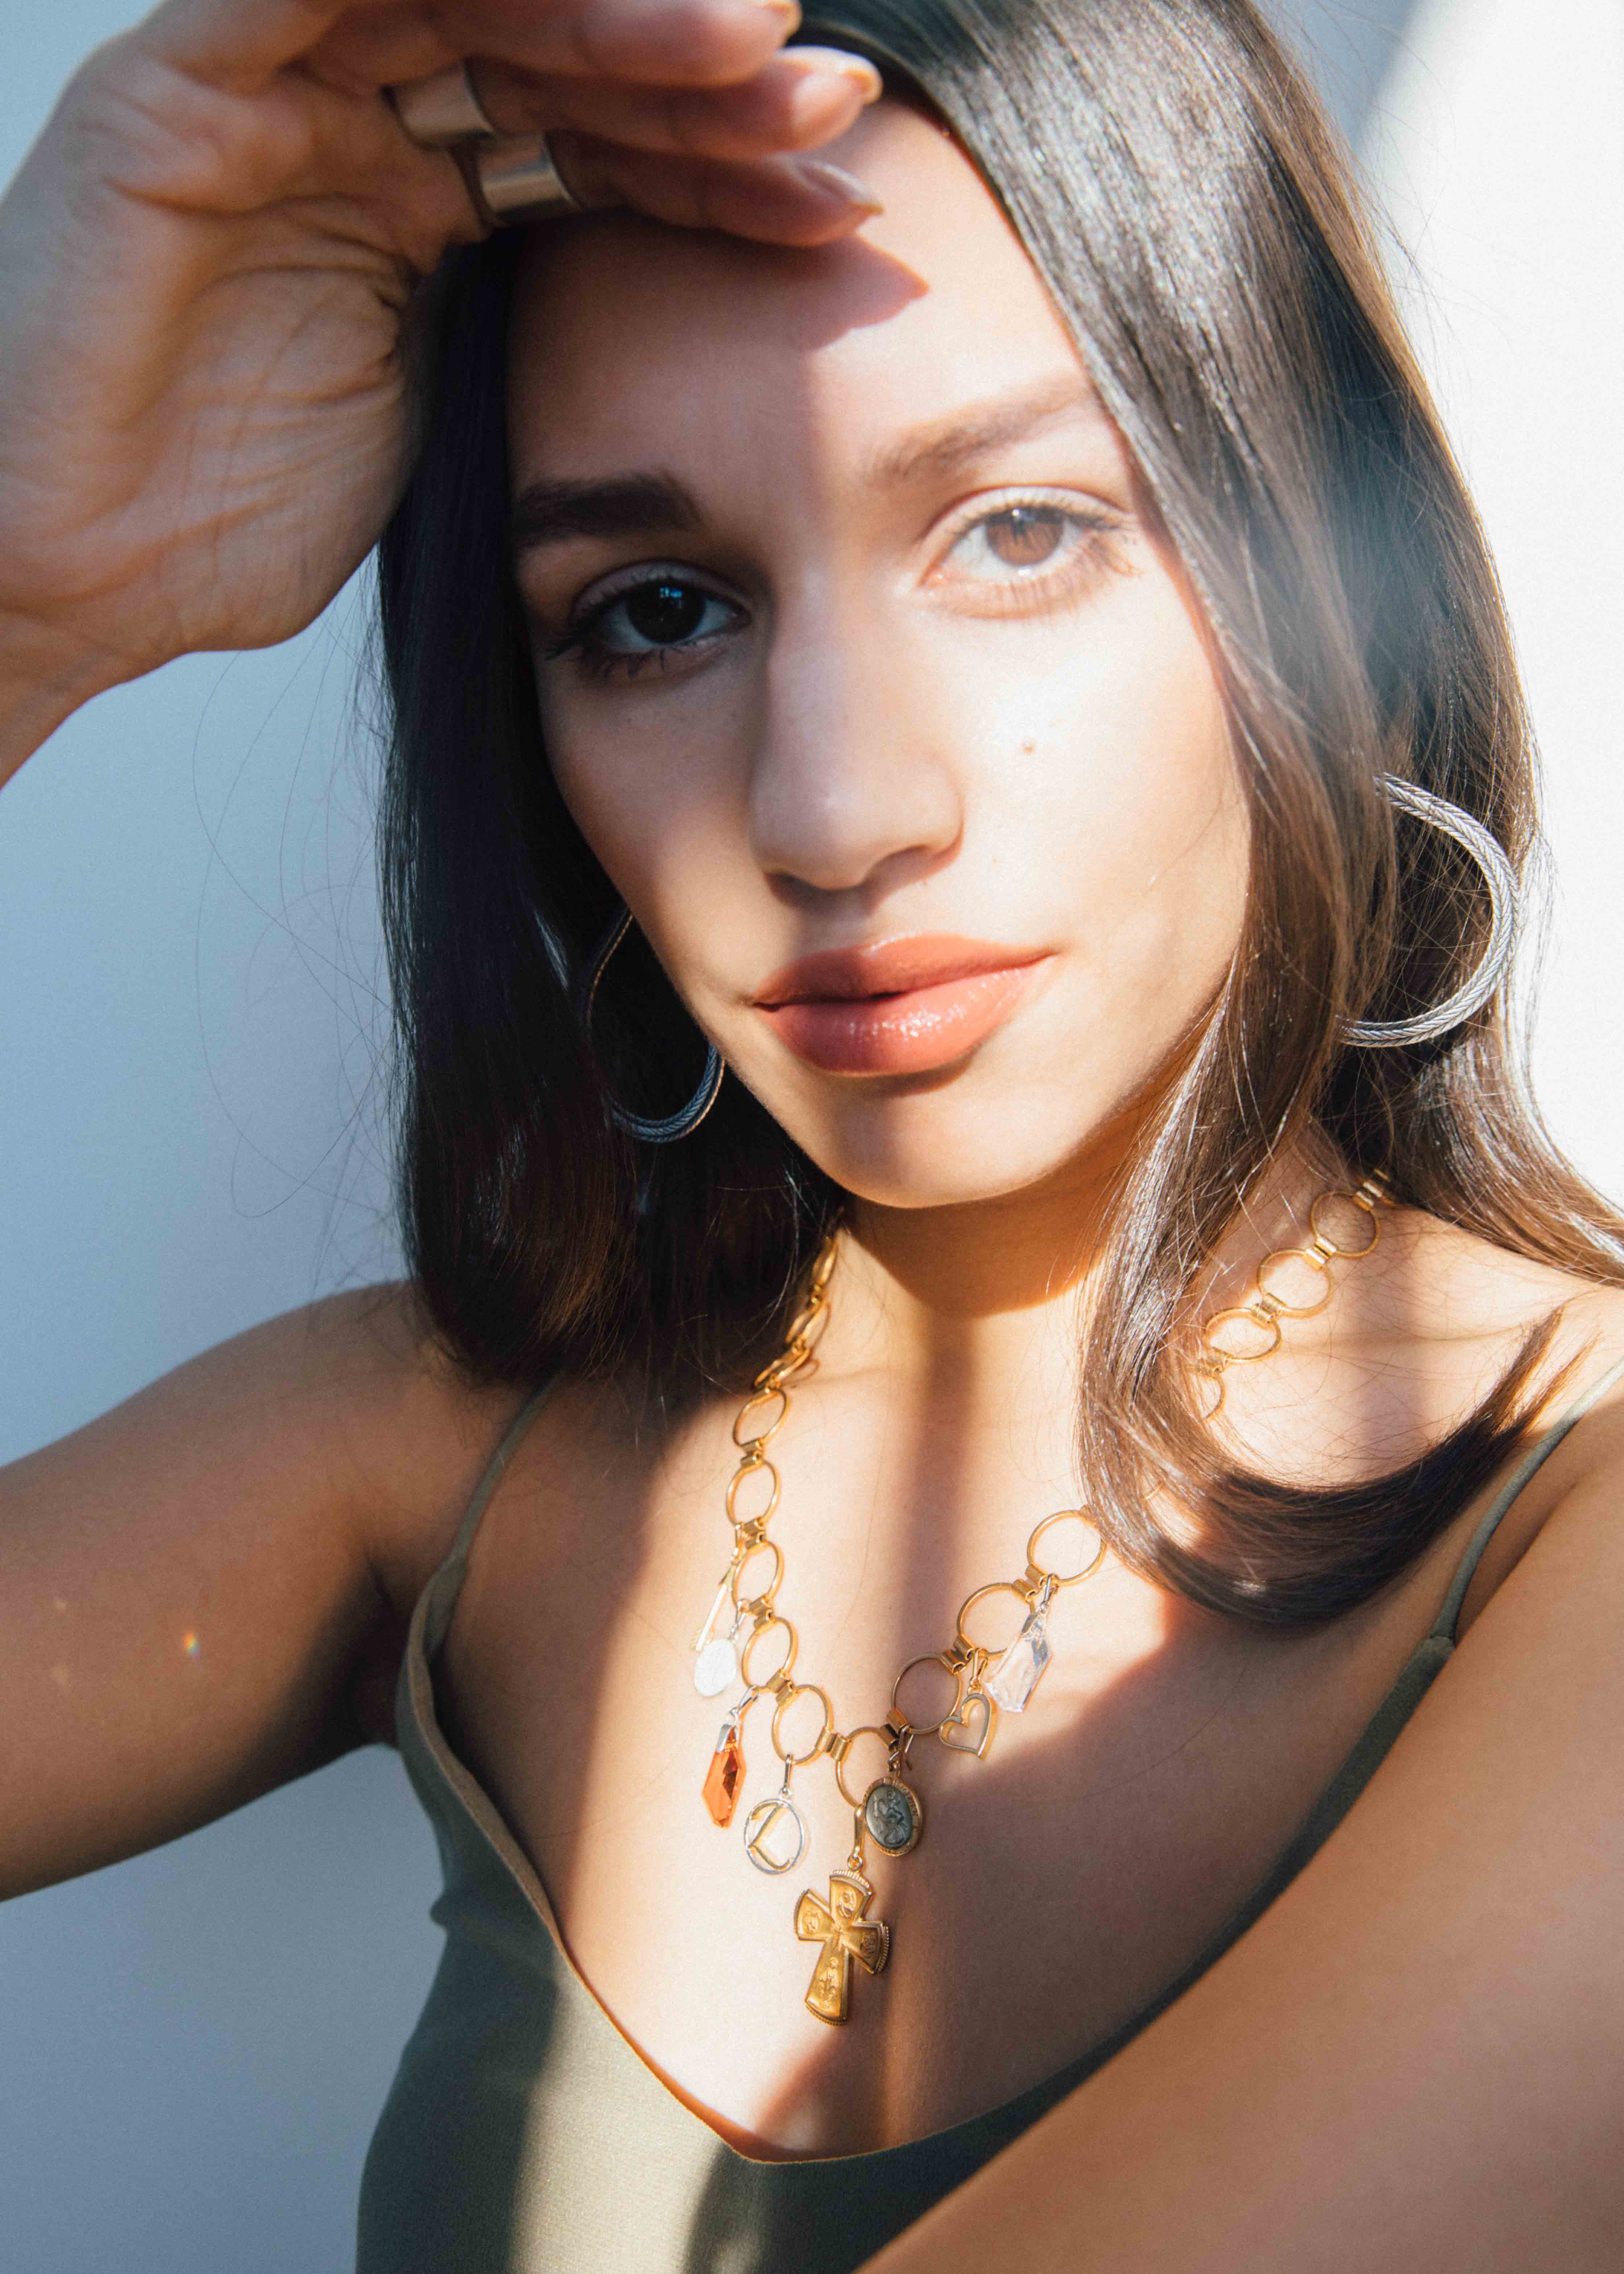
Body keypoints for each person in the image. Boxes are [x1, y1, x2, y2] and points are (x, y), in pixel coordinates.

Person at [3, 0, 1622, 2266]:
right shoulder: (446, 1449)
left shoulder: (1579, 1512)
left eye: (1021, 530)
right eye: (655, 614)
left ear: (1326, 566)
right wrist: (22, 588)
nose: (835, 808)